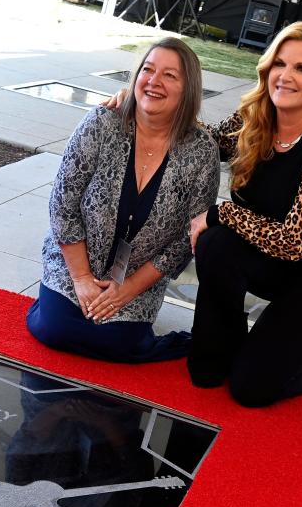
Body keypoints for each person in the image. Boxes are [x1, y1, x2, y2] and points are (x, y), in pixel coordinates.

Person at [187, 22, 302, 407]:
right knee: (215, 245)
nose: (285, 76)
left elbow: (294, 242)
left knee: (252, 389)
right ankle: (222, 347)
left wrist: (220, 213)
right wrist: (151, 104)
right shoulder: (257, 117)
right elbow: (210, 141)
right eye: (280, 64)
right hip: (271, 258)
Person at [27, 37, 219, 363]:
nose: (154, 81)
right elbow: (63, 202)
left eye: (170, 75)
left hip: (137, 279)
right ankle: (49, 303)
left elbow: (186, 239)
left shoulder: (202, 152)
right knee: (54, 331)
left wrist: (127, 290)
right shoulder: (102, 123)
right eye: (148, 69)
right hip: (76, 264)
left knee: (119, 344)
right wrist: (82, 279)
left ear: (188, 89)